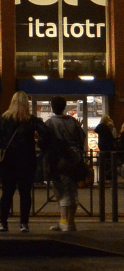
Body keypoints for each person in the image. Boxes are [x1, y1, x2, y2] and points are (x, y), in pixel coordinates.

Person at [0, 91, 49, 233]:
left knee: (7, 193)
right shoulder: (31, 120)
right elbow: (46, 133)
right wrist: (39, 145)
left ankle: (3, 222)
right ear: (26, 104)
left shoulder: (2, 120)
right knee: (25, 193)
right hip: (26, 160)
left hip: (8, 161)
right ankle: (24, 223)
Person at [45, 96, 87, 233]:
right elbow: (81, 137)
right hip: (74, 159)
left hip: (58, 160)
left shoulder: (50, 122)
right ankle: (70, 221)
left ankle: (65, 222)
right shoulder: (73, 121)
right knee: (72, 191)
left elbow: (44, 141)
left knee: (61, 192)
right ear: (64, 106)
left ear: (53, 107)